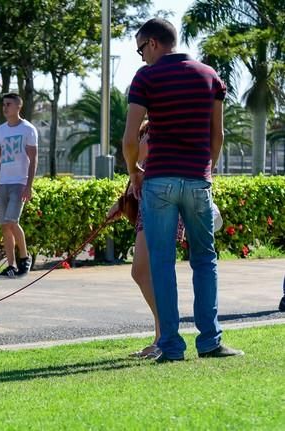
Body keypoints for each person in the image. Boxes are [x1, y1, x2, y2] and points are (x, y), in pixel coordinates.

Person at [122, 18, 243, 362]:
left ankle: (172, 346)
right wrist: (207, 171)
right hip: (197, 180)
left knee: (162, 264)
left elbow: (130, 139)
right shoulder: (209, 76)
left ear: (155, 43)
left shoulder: (147, 77)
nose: (141, 57)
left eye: (141, 49)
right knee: (205, 261)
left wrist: (134, 172)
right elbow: (216, 135)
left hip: (158, 181)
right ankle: (210, 342)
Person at [109, 122, 185, 359]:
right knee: (147, 273)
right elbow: (140, 171)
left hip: (163, 206)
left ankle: (166, 337)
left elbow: (140, 158)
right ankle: (161, 337)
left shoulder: (160, 129)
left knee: (143, 272)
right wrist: (122, 202)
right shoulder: (148, 129)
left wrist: (138, 145)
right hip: (148, 206)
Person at [0, 93, 38, 278]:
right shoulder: (1, 130)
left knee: (12, 221)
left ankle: (24, 259)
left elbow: (33, 159)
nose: (5, 108)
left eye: (8, 104)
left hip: (19, 183)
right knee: (5, 226)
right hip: (3, 183)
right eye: (3, 104)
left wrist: (28, 185)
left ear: (18, 107)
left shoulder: (28, 129)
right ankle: (11, 267)